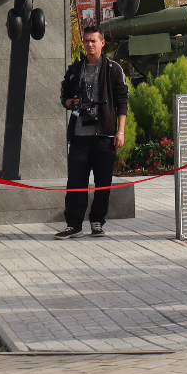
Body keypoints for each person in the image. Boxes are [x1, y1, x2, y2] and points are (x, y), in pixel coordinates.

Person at [56, 25, 129, 238]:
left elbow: (122, 101)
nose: (89, 44)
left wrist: (120, 131)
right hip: (80, 135)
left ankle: (97, 222)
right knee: (76, 182)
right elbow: (64, 99)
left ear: (102, 43)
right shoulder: (74, 70)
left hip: (105, 136)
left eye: (93, 41)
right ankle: (73, 224)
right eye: (86, 41)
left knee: (102, 182)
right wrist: (72, 102)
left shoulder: (113, 69)